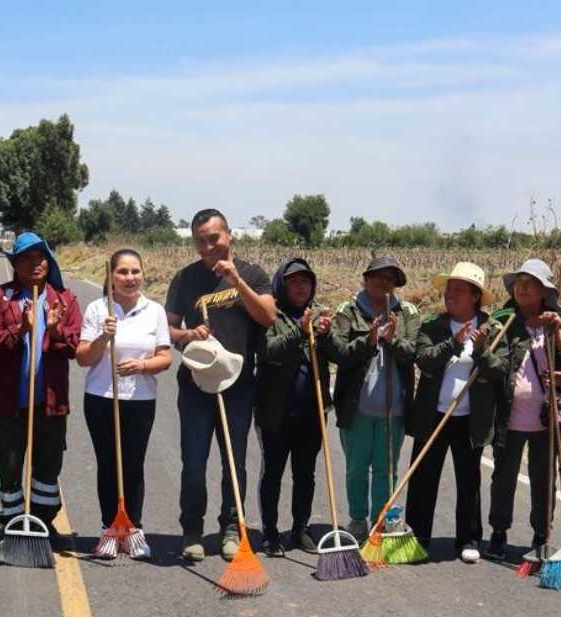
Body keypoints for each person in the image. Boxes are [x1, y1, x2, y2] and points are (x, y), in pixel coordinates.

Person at [165, 209, 275, 562]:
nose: (208, 246)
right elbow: (166, 329)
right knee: (194, 461)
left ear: (229, 235)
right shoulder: (185, 278)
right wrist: (186, 335)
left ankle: (232, 528)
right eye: (200, 241)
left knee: (234, 461)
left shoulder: (253, 274)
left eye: (214, 238)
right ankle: (192, 529)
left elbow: (268, 316)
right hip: (195, 384)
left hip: (238, 385)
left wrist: (236, 281)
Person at [405, 262, 506, 563]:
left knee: (469, 479)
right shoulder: (432, 326)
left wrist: (481, 350)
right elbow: (424, 359)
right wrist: (453, 343)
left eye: (458, 290)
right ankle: (417, 536)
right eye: (449, 289)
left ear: (475, 296)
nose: (450, 295)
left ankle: (469, 538)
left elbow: (500, 370)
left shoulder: (493, 329)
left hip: (470, 418)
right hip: (433, 414)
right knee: (423, 477)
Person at [0, 231, 82, 535]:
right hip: (10, 403)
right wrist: (21, 329)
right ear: (15, 264)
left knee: (48, 467)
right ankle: (14, 522)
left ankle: (42, 523)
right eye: (25, 258)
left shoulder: (64, 299)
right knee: (9, 465)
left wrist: (55, 331)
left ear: (49, 261)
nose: (35, 263)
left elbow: (74, 347)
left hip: (50, 403)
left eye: (40, 257)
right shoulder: (0, 297)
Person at [484, 259, 561, 562]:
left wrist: (557, 334)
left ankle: (542, 535)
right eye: (519, 282)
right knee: (503, 478)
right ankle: (499, 532)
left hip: (546, 419)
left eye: (530, 283)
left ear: (544, 291)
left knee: (544, 479)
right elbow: (492, 365)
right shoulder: (503, 321)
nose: (522, 288)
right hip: (508, 416)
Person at [76, 248, 172, 549]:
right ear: (111, 276)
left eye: (135, 271)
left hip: (140, 400)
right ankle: (109, 527)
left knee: (133, 464)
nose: (130, 278)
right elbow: (83, 358)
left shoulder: (154, 311)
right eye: (122, 272)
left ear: (142, 274)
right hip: (101, 398)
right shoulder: (97, 309)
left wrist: (141, 365)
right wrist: (104, 337)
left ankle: (132, 528)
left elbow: (165, 358)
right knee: (108, 464)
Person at [328, 255, 420, 538]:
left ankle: (380, 521)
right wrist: (367, 342)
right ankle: (357, 519)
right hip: (357, 407)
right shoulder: (348, 310)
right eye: (378, 276)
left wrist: (392, 340)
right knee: (356, 468)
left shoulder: (408, 312)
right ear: (366, 279)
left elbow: (412, 352)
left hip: (394, 409)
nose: (383, 282)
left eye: (390, 278)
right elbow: (339, 352)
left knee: (386, 470)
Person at [254, 257, 334, 556]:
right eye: (294, 282)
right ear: (282, 285)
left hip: (311, 413)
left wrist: (326, 335)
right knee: (272, 473)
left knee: (305, 474)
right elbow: (268, 351)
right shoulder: (270, 314)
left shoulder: (320, 314)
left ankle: (300, 529)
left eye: (306, 281)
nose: (301, 287)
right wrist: (300, 331)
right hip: (275, 412)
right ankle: (270, 533)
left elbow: (340, 353)